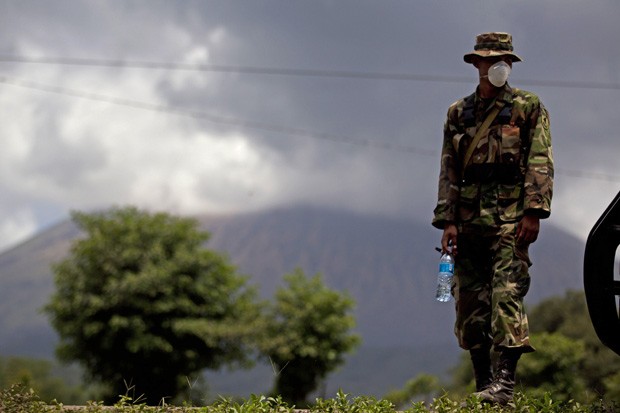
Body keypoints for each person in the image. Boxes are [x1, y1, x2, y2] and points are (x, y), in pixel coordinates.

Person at [432, 32, 553, 405]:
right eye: (491, 59)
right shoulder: (458, 113)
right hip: (467, 221)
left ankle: (505, 386)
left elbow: (540, 159)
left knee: (506, 296)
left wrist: (533, 211)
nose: (499, 65)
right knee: (469, 304)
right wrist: (448, 220)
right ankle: (483, 383)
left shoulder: (527, 107)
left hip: (510, 219)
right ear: (477, 64)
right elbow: (449, 169)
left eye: (505, 59)